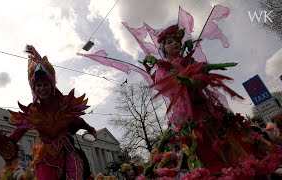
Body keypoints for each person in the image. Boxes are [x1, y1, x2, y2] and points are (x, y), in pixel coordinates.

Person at [80, 6, 282, 179]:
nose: (175, 43)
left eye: (178, 40)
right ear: (163, 49)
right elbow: (168, 87)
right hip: (189, 119)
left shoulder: (191, 62)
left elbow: (203, 84)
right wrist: (182, 80)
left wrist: (198, 77)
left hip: (209, 112)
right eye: (169, 42)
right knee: (206, 154)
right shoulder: (162, 69)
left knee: (234, 149)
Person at [0, 45, 96, 180]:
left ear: (52, 86)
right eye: (38, 85)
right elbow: (10, 143)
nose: (42, 88)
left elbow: (78, 121)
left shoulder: (65, 106)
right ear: (34, 89)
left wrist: (91, 129)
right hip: (45, 159)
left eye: (45, 84)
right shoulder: (32, 113)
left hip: (68, 154)